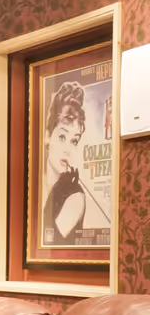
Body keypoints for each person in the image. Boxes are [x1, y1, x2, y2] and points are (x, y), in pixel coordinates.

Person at [43, 80, 109, 242]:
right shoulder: (35, 189)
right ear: (47, 136)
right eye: (62, 136)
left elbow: (51, 243)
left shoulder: (74, 196)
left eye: (74, 141)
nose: (68, 149)